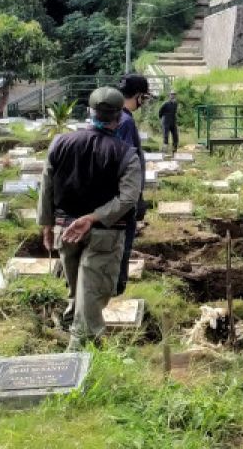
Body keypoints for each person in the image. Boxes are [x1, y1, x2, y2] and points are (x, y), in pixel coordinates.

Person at [37, 87, 141, 350]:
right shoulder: (125, 153)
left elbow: (46, 186)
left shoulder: (60, 142)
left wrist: (46, 225)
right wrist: (94, 217)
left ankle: (73, 336)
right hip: (104, 235)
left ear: (89, 112)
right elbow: (128, 199)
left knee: (78, 294)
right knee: (90, 297)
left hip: (65, 230)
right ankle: (79, 358)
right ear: (119, 117)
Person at [114, 74, 150, 296]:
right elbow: (126, 162)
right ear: (138, 96)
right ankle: (117, 290)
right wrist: (135, 196)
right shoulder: (126, 121)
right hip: (124, 197)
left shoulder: (115, 116)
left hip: (116, 196)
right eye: (143, 98)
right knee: (121, 248)